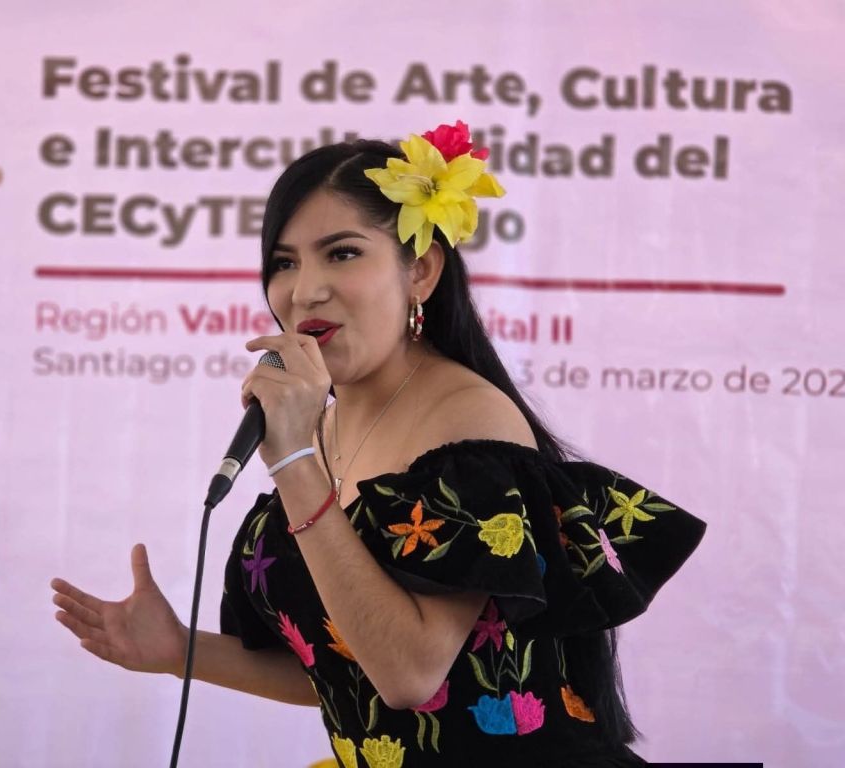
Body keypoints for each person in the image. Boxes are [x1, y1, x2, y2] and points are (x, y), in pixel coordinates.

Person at [51, 121, 706, 767]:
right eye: (284, 263)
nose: (305, 290)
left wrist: (293, 462)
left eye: (341, 253)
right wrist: (179, 651)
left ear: (419, 270)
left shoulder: (468, 421)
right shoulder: (320, 430)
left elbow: (409, 674)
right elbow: (349, 668)